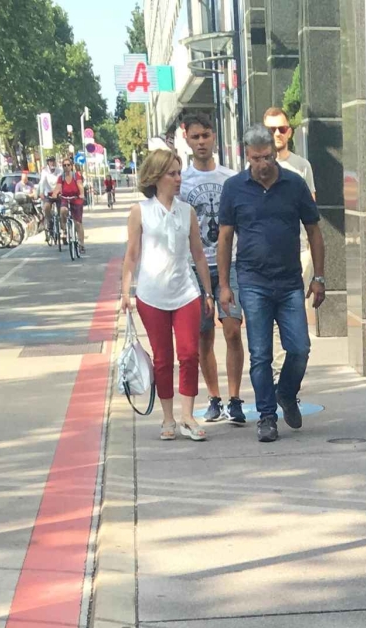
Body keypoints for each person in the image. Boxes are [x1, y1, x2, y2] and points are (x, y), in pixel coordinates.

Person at [217, 125, 325, 444]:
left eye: (267, 157)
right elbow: (225, 238)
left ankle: (286, 393)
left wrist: (319, 277)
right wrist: (224, 285)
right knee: (260, 354)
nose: (262, 164)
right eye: (255, 159)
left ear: (275, 153)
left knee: (300, 348)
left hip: (289, 281)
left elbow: (314, 230)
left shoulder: (294, 183)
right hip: (252, 282)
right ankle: (267, 416)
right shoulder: (234, 188)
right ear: (246, 156)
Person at [120, 148, 217, 442]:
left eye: (179, 173)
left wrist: (207, 292)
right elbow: (132, 254)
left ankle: (187, 416)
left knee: (189, 354)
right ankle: (168, 417)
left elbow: (198, 254)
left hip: (186, 292)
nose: (178, 179)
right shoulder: (140, 211)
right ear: (156, 177)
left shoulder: (187, 212)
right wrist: (125, 291)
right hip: (151, 296)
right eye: (172, 174)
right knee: (163, 359)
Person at [179, 110, 246, 426]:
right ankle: (215, 398)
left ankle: (235, 399)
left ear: (214, 137)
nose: (201, 142)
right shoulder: (182, 182)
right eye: (195, 137)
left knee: (232, 329)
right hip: (196, 267)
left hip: (229, 263)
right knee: (203, 336)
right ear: (187, 139)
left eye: (206, 135)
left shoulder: (230, 178)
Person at [263, 106, 319, 341]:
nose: (277, 133)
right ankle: (280, 361)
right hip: (267, 256)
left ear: (290, 132)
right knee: (274, 317)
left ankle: (292, 356)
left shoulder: (302, 166)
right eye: (271, 129)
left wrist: (318, 270)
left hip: (300, 251)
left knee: (295, 312)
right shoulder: (256, 167)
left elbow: (311, 214)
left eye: (282, 128)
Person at [56, 161, 87, 254]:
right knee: (63, 210)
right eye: (64, 165)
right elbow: (58, 187)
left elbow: (80, 186)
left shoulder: (76, 175)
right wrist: (56, 194)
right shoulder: (61, 177)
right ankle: (64, 229)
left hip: (76, 199)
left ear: (71, 166)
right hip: (65, 198)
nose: (66, 167)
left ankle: (81, 244)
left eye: (68, 165)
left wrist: (81, 194)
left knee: (78, 223)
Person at [38, 156, 62, 237]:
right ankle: (49, 221)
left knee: (61, 210)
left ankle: (63, 228)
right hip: (48, 194)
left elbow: (62, 182)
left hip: (58, 193)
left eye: (53, 161)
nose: (52, 163)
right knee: (46, 207)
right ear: (48, 163)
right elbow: (42, 182)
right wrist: (41, 192)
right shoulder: (44, 172)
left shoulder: (60, 171)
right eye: (50, 161)